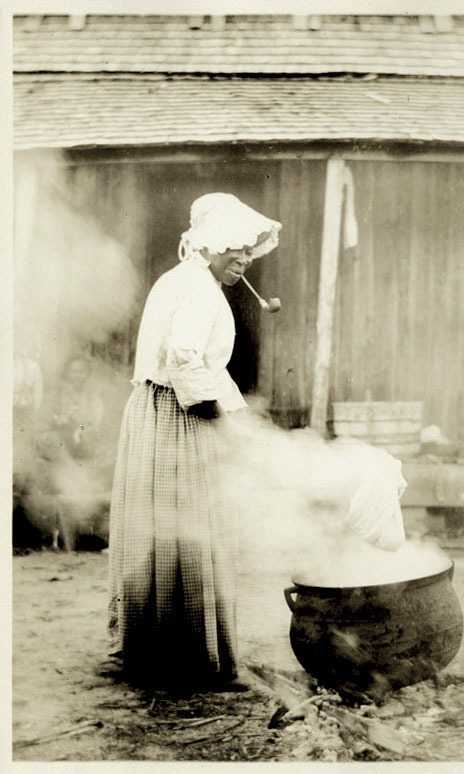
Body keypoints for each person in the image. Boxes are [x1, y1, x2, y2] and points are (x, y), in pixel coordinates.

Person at [106, 193, 281, 691]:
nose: (245, 258)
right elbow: (184, 358)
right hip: (179, 417)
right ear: (212, 243)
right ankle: (192, 660)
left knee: (161, 528)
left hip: (154, 413)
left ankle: (156, 653)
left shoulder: (180, 280)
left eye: (250, 249)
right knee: (192, 526)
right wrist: (220, 421)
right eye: (237, 248)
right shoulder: (200, 289)